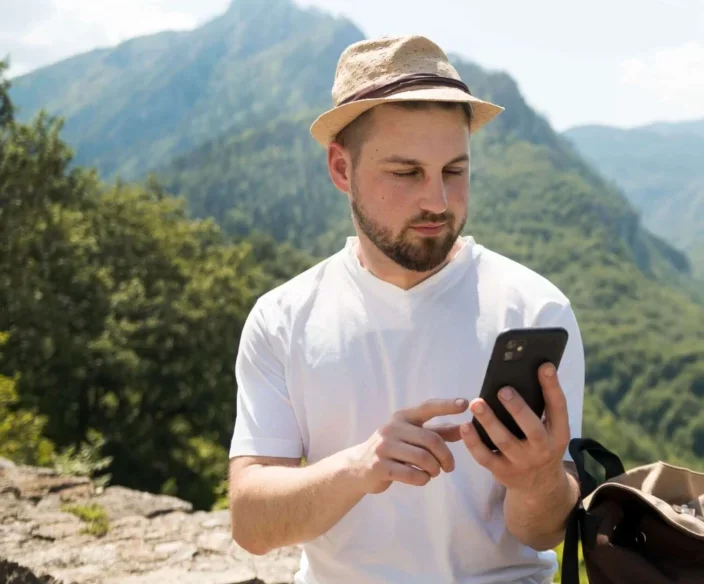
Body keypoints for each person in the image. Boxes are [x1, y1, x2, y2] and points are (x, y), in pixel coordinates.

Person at [225, 34, 586, 584]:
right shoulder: (283, 319)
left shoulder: (534, 309)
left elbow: (543, 532)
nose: (437, 201)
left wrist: (538, 482)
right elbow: (252, 522)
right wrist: (360, 466)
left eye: (455, 171)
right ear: (341, 169)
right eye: (406, 173)